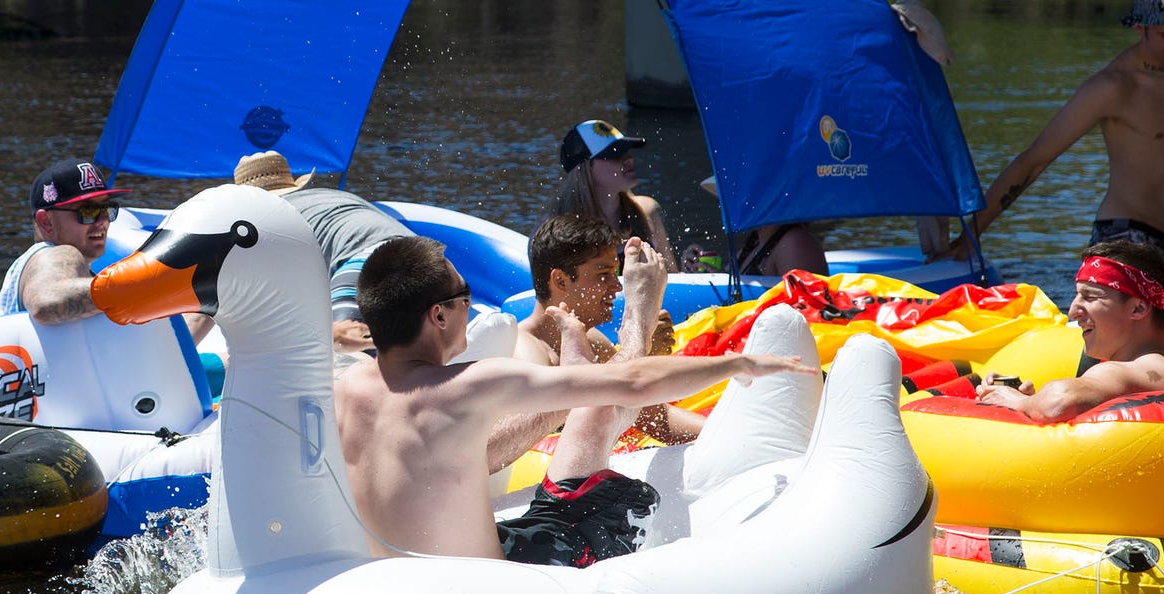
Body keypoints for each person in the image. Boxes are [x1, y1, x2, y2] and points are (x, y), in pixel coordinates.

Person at [334, 235, 814, 564]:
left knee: (562, 482)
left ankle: (577, 369)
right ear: (438, 316)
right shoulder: (468, 384)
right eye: (465, 296)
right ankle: (633, 322)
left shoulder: (345, 389)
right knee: (593, 479)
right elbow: (634, 385)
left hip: (397, 575)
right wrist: (736, 365)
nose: (470, 306)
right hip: (489, 581)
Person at [955, 0, 1164, 282]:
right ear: (1139, 27)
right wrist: (971, 236)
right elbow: (1033, 160)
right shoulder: (1114, 86)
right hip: (1124, 243)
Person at [513, 213, 705, 445]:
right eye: (604, 275)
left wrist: (725, 434)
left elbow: (657, 420)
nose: (616, 287)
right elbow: (538, 443)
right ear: (561, 281)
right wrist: (639, 341)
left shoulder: (591, 340)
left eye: (615, 274)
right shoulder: (526, 352)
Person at [972, 239, 1164, 422]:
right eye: (1076, 295)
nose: (1073, 311)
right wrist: (1029, 400)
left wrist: (1017, 403)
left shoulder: (1145, 368)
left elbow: (1058, 402)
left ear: (1138, 308)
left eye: (1090, 297)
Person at [232, 150, 408, 354]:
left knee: (344, 352)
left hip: (365, 261)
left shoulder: (262, 222)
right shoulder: (334, 197)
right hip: (425, 255)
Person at [0, 157, 132, 325]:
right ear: (47, 222)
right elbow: (46, 302)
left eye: (106, 209)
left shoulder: (37, 268)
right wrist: (141, 286)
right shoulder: (57, 253)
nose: (102, 221)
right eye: (88, 210)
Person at [543, 119, 680, 270]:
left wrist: (690, 271)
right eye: (614, 154)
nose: (629, 159)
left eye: (626, 151)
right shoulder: (554, 230)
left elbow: (671, 278)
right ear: (583, 170)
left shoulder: (647, 211)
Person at [691, 175, 829, 278]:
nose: (730, 203)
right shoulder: (755, 241)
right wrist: (705, 271)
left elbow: (807, 310)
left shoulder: (795, 243)